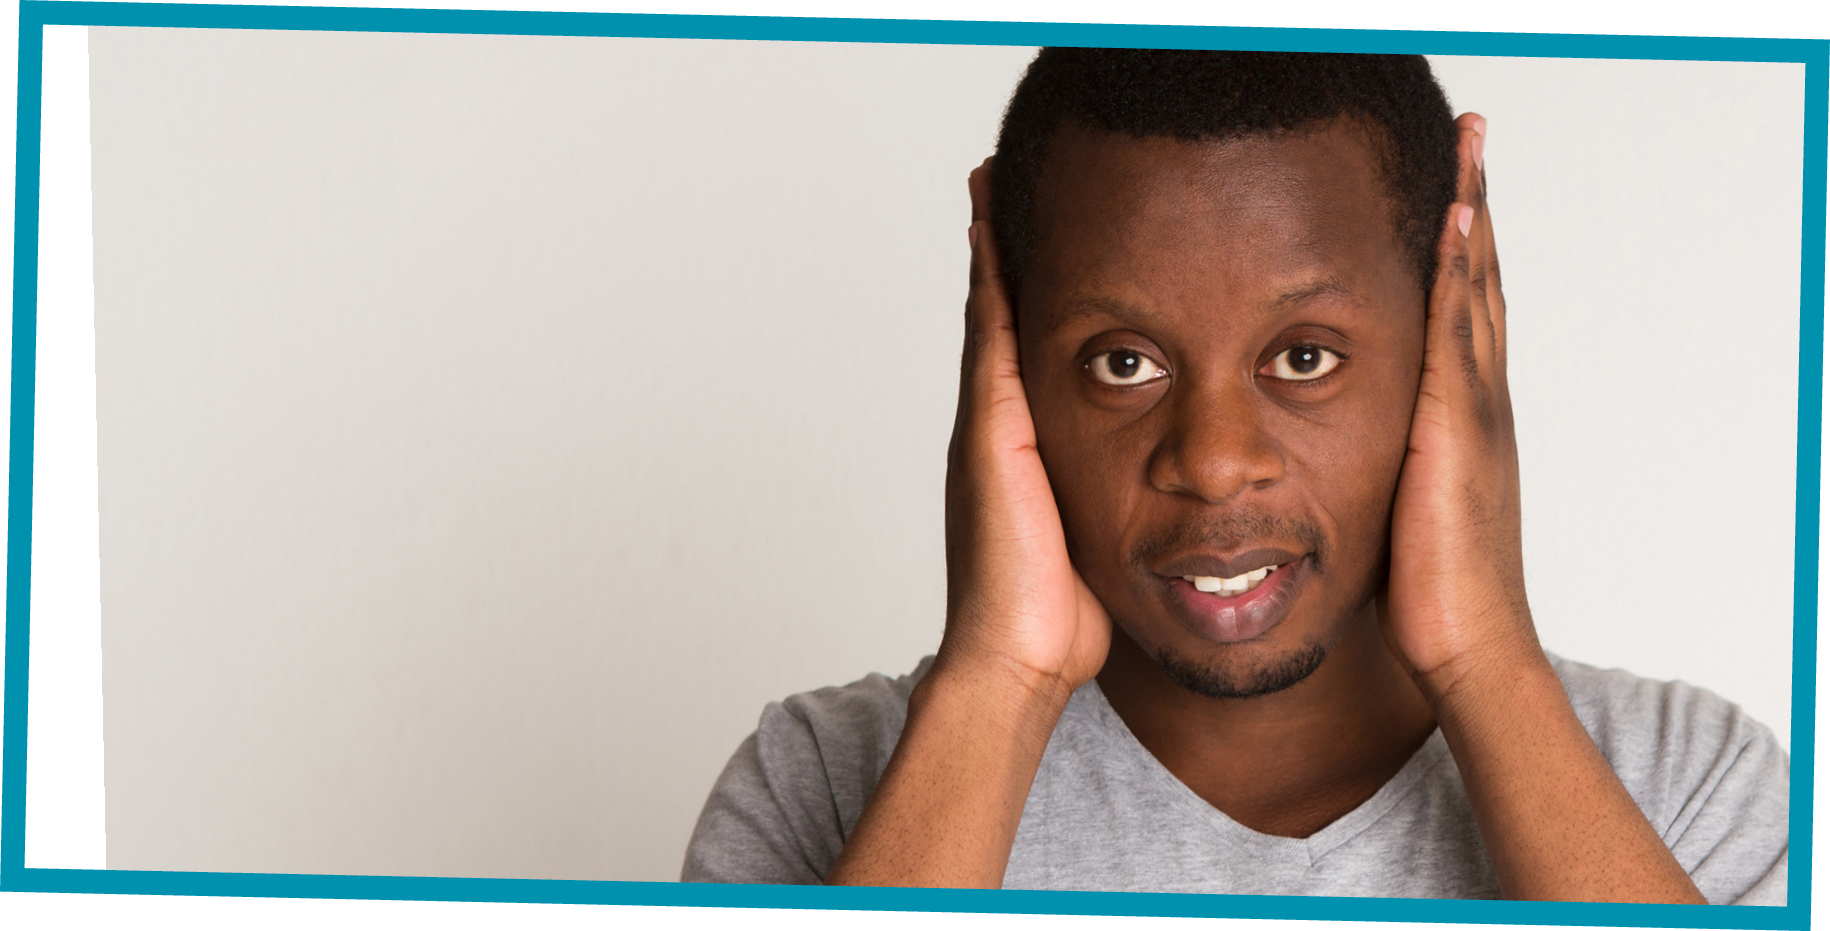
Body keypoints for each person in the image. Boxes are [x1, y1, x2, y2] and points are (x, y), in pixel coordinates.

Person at [679, 49, 1789, 903]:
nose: (1213, 464)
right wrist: (997, 684)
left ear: (1454, 346)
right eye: (1124, 363)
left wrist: (1486, 661)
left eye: (1304, 358)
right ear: (1003, 364)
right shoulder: (824, 784)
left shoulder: (1686, 785)